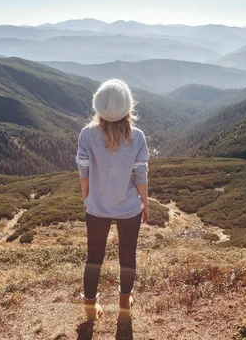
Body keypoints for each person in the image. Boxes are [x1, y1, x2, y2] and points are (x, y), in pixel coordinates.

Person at [75, 78, 150, 323]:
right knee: (128, 255)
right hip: (128, 208)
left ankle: (90, 306)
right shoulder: (137, 137)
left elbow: (83, 171)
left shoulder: (87, 134)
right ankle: (124, 303)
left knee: (94, 256)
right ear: (128, 107)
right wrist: (145, 203)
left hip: (96, 207)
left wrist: (87, 199)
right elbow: (140, 175)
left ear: (98, 106)